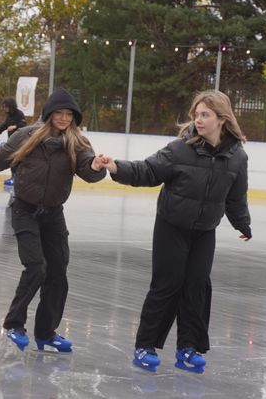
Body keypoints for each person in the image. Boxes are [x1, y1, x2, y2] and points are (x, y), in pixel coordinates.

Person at [97, 90, 251, 373]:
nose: (198, 119)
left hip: (205, 231)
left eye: (205, 114)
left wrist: (242, 223)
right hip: (171, 226)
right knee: (167, 284)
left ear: (222, 118)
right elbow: (147, 171)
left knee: (197, 286)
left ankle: (188, 349)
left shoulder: (237, 158)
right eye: (196, 114)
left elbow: (236, 197)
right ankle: (145, 346)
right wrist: (116, 167)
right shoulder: (180, 149)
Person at [0, 88, 106, 352]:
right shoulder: (26, 136)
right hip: (25, 211)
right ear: (49, 113)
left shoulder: (78, 143)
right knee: (36, 268)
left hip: (54, 215)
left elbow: (88, 170)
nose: (64, 118)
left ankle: (46, 333)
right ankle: (14, 324)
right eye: (59, 113)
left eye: (70, 114)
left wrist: (94, 167)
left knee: (58, 274)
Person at [0, 98, 27, 186]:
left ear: (11, 106)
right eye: (3, 107)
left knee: (16, 159)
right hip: (11, 140)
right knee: (11, 159)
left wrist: (15, 127)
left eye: (6, 107)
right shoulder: (9, 115)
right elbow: (5, 124)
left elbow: (23, 124)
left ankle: (17, 178)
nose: (4, 109)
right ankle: (13, 177)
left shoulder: (19, 114)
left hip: (19, 141)